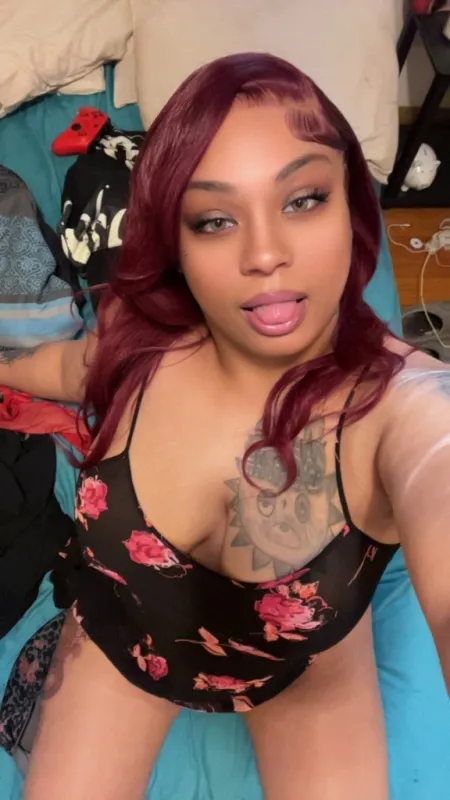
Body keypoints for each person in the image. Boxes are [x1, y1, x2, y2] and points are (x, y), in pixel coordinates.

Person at [1, 52, 449, 800]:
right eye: (215, 219)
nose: (265, 253)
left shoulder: (398, 408)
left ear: (351, 206)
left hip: (304, 679)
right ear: (175, 242)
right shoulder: (139, 341)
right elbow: (64, 368)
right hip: (122, 640)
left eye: (303, 199)